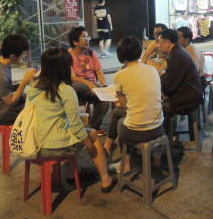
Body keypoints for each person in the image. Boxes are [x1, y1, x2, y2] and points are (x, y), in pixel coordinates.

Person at [26, 47, 117, 192]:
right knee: (91, 134)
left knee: (66, 130)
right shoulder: (66, 90)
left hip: (34, 142)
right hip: (54, 146)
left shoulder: (33, 86)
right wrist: (89, 147)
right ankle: (106, 180)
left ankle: (73, 173)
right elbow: (76, 127)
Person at [110, 36, 164, 173]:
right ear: (140, 51)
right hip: (159, 127)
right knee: (122, 114)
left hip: (137, 133)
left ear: (120, 55)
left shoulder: (119, 75)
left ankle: (126, 164)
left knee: (120, 123)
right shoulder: (152, 70)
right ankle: (155, 153)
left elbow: (124, 105)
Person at [0, 34, 36, 125]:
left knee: (28, 98)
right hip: (0, 114)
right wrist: (24, 82)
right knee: (35, 113)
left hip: (0, 106)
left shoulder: (1, 62)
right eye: (23, 54)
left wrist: (24, 82)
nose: (24, 56)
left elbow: (5, 88)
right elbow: (10, 103)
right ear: (13, 56)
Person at [68, 26, 109, 136]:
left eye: (88, 38)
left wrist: (105, 87)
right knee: (77, 86)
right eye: (84, 38)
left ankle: (93, 128)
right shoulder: (68, 55)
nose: (87, 41)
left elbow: (99, 72)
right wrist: (90, 85)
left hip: (93, 86)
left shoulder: (91, 53)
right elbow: (73, 78)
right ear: (75, 42)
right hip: (78, 87)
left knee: (105, 100)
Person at [159, 29, 203, 125]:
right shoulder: (178, 50)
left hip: (188, 99)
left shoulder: (177, 55)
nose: (158, 45)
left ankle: (165, 135)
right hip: (190, 95)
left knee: (154, 106)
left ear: (167, 43)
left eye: (160, 42)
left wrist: (161, 76)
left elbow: (168, 86)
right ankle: (169, 133)